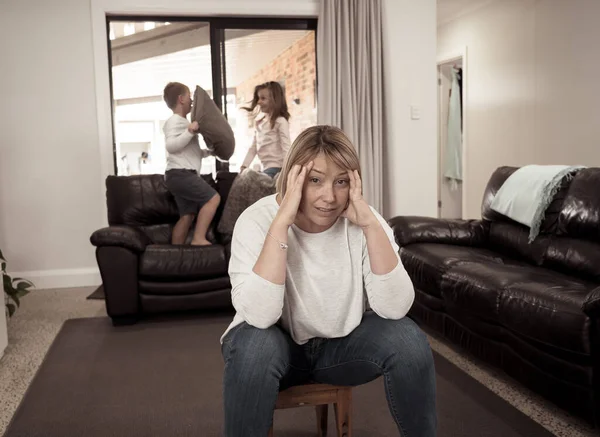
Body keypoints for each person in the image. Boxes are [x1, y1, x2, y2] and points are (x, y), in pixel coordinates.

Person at [221, 125, 437, 436]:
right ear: (293, 178)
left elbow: (394, 308)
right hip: (277, 348)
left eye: (341, 182)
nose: (330, 197)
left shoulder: (365, 220)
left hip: (340, 350)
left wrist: (371, 227)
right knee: (255, 346)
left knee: (408, 341)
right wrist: (281, 224)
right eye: (315, 180)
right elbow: (260, 315)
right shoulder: (256, 220)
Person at [162, 82, 220, 246]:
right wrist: (190, 131)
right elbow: (171, 146)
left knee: (187, 215)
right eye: (189, 97)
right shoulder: (174, 121)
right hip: (180, 174)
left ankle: (175, 255)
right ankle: (198, 238)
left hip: (179, 174)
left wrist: (209, 152)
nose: (192, 101)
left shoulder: (184, 123)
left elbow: (192, 152)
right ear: (181, 99)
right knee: (214, 199)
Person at [240, 81, 291, 179]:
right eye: (258, 98)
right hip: (266, 169)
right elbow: (253, 148)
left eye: (263, 98)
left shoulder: (280, 121)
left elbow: (286, 147)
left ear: (275, 100)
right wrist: (244, 166)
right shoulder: (260, 122)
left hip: (277, 169)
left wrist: (286, 172)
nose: (259, 102)